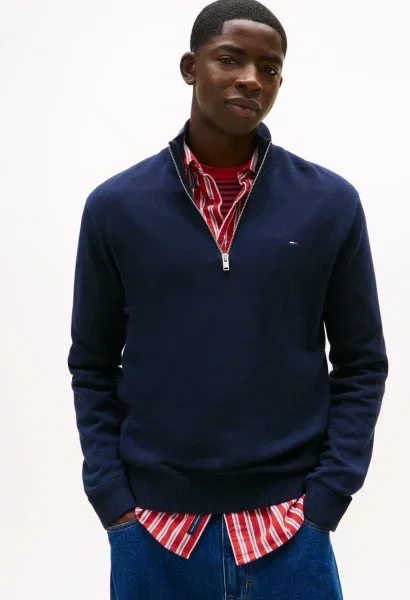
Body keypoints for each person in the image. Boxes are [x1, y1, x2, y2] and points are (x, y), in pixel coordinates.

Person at [68, 0, 388, 598]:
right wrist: (113, 502)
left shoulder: (330, 203)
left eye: (269, 68)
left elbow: (362, 363)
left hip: (289, 532)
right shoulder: (115, 207)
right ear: (190, 67)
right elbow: (91, 365)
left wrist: (327, 499)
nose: (251, 79)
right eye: (230, 59)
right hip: (154, 534)